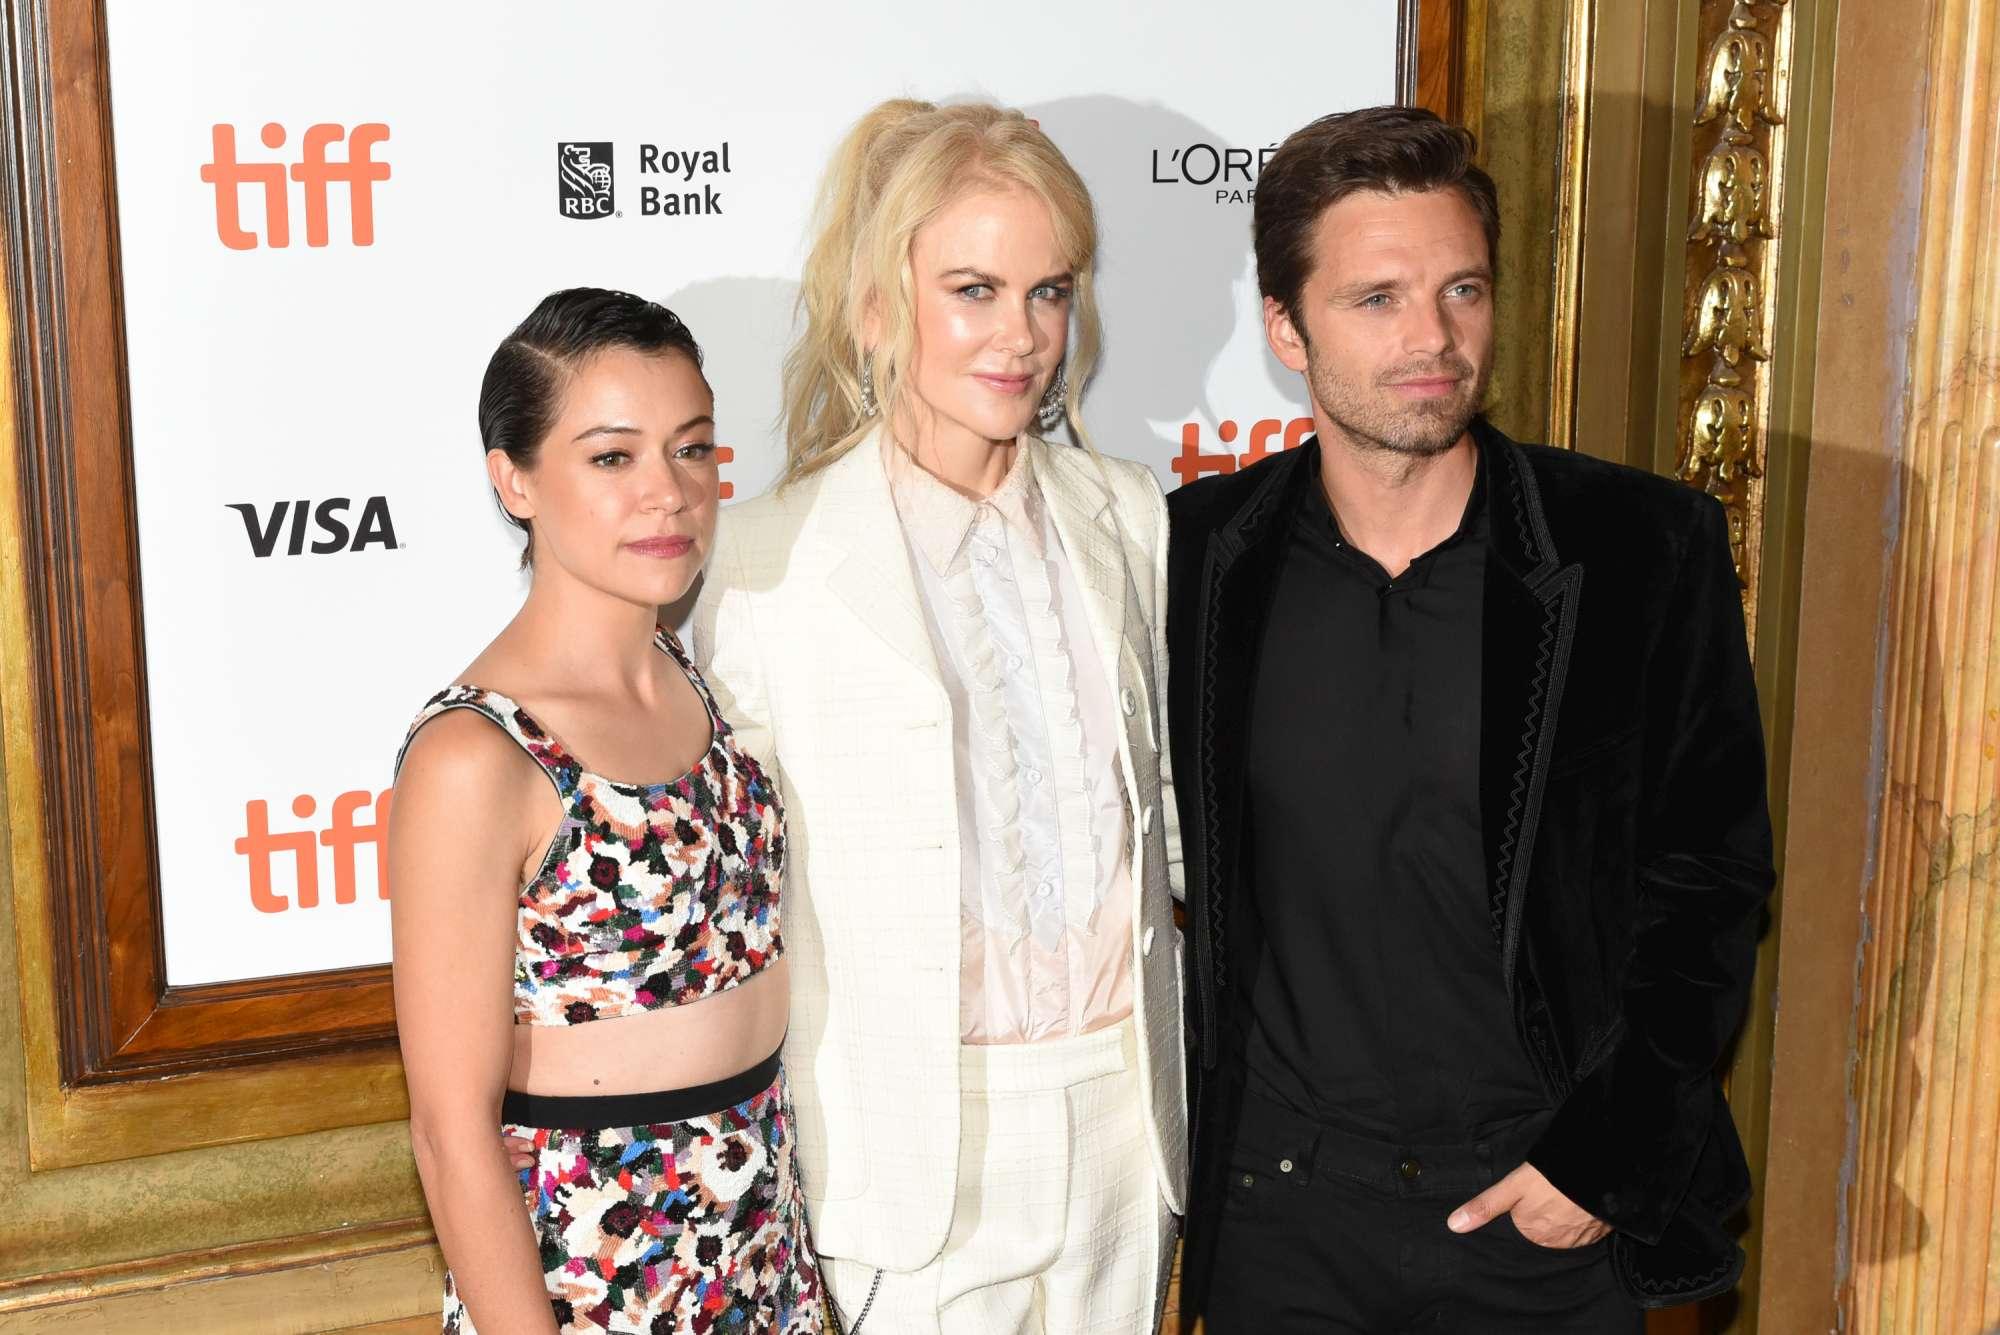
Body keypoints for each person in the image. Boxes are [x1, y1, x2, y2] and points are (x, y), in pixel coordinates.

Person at [1167, 106, 1774, 1332]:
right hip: (1278, 1220)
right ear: (1284, 327)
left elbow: (1709, 882)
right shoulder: (1192, 559)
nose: (1432, 340)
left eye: (1461, 290)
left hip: (1537, 1221)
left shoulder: (1637, 547)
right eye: (1375, 299)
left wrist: (1598, 1162)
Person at [692, 99, 1186, 1333]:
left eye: (1047, 292)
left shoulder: (1128, 515)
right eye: (973, 290)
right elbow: (738, 897)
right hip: (909, 1154)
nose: (1020, 336)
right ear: (876, 309)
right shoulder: (762, 561)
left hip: (1125, 1127)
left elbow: (1169, 821)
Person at [390, 289, 822, 1334]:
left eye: (691, 448)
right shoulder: (475, 756)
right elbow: (448, 1133)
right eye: (612, 457)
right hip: (596, 1276)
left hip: (766, 1251)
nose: (668, 493)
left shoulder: (699, 672)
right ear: (515, 480)